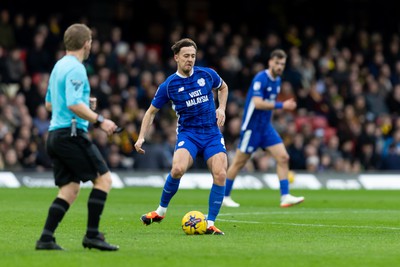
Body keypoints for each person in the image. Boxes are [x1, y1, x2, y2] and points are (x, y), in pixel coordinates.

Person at [35, 23, 119, 251]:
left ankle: (45, 239)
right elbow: (72, 104)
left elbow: (50, 104)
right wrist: (100, 120)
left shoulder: (58, 66)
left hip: (54, 135)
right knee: (104, 180)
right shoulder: (76, 68)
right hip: (70, 134)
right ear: (86, 43)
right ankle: (92, 235)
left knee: (70, 189)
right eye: (91, 41)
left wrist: (85, 105)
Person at [134, 38, 228, 235]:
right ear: (176, 57)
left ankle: (210, 223)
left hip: (211, 133)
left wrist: (222, 108)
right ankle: (160, 211)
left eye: (193, 56)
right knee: (177, 169)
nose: (190, 60)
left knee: (220, 173)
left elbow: (223, 87)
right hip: (189, 134)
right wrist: (141, 137)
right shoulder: (169, 85)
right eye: (186, 56)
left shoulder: (207, 74)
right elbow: (151, 112)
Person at [223, 49, 304, 208]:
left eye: (282, 64)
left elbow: (268, 108)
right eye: (277, 63)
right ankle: (224, 196)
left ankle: (285, 196)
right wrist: (283, 105)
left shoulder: (278, 81)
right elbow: (258, 103)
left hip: (266, 128)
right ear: (270, 62)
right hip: (252, 128)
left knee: (283, 157)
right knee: (239, 163)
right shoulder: (261, 78)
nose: (280, 66)